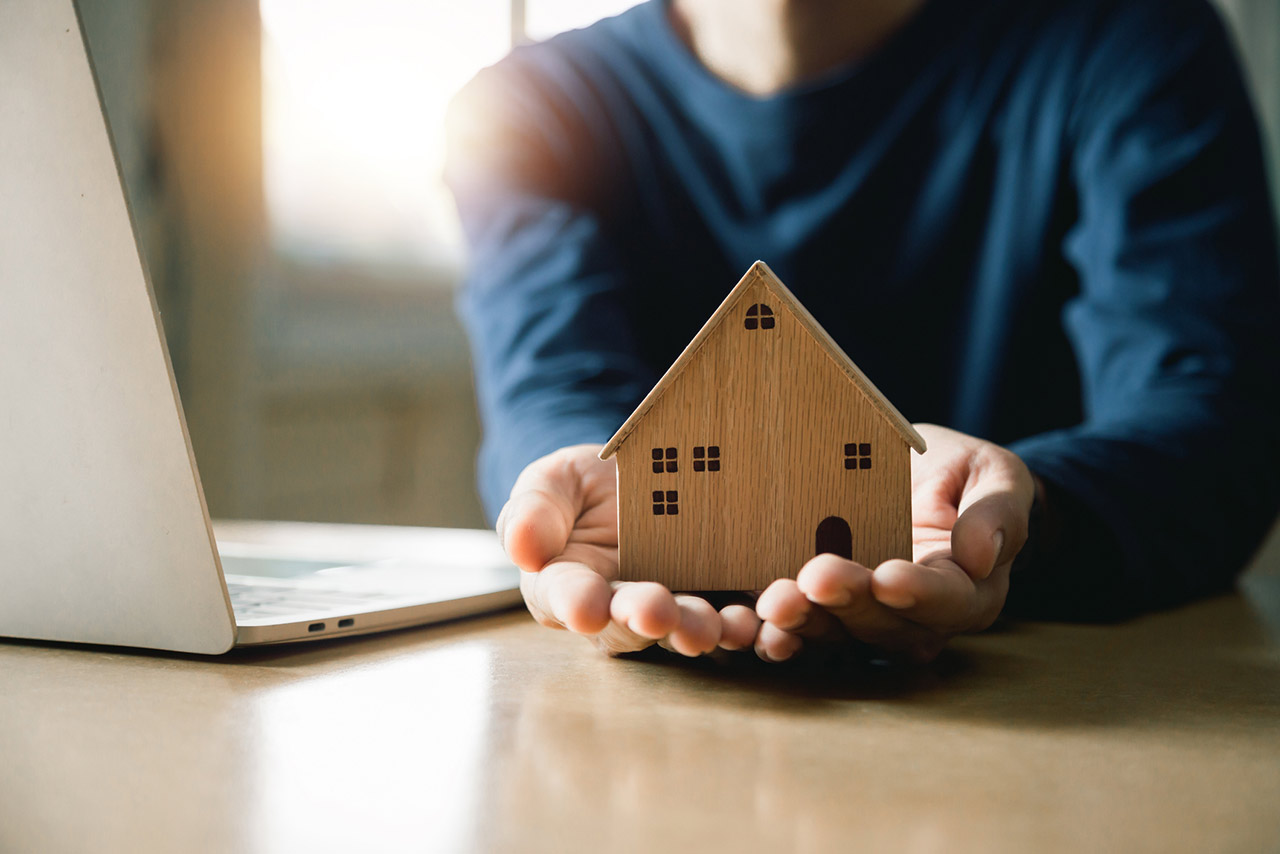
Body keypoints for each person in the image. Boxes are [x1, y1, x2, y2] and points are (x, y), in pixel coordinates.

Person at [444, 0, 1280, 662]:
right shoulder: (525, 109)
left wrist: (1019, 515)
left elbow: (1214, 422)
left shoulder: (1132, 39)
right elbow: (551, 386)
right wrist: (576, 493)